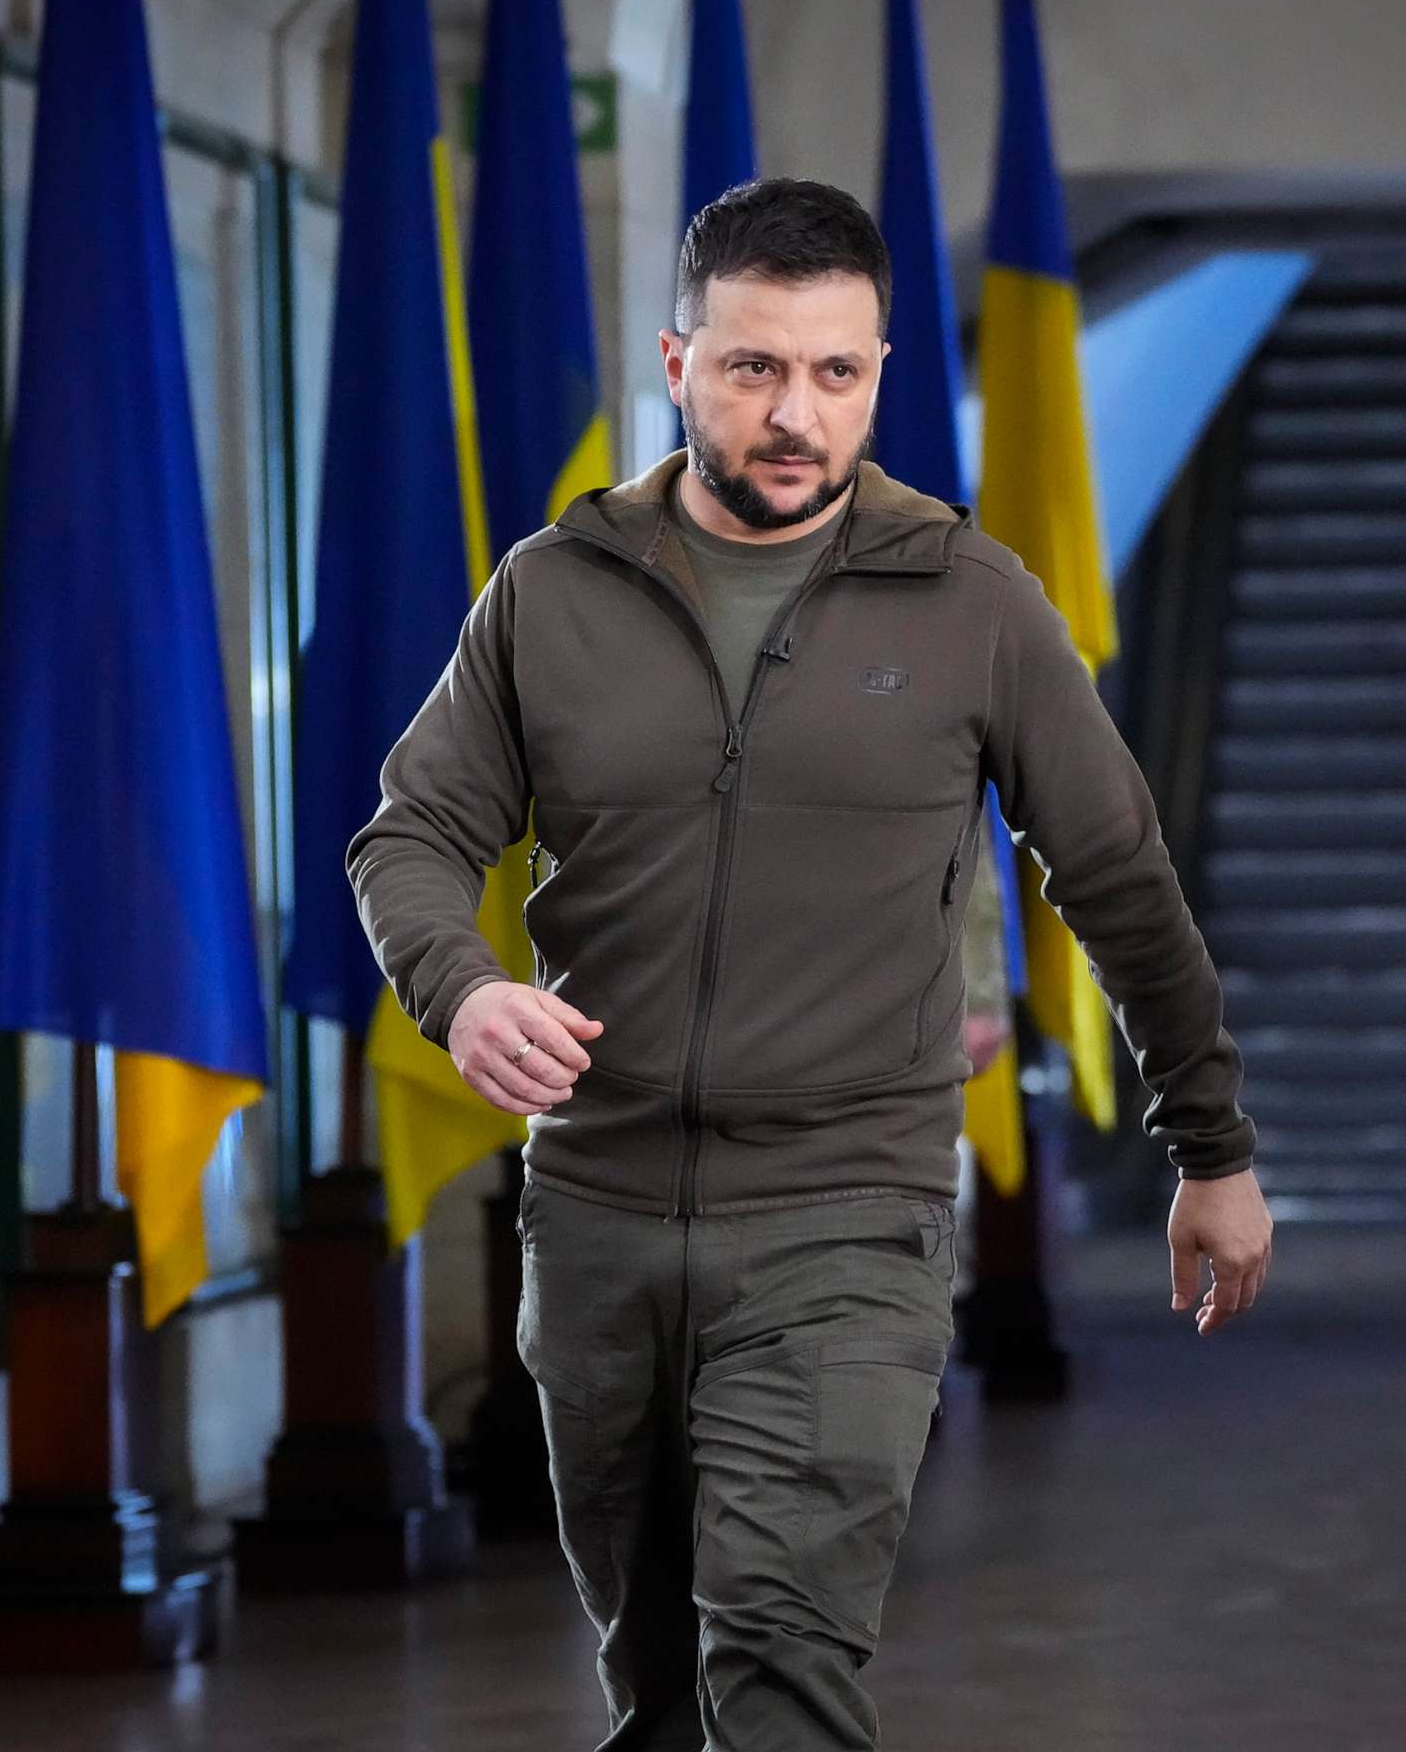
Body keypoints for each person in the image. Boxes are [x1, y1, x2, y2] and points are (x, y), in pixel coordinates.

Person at [346, 177, 1270, 1752]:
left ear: (881, 376)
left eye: (836, 374)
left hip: (850, 1210)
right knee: (653, 1690)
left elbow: (1116, 874)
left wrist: (1213, 1146)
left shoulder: (975, 603)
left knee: (778, 1657)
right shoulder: (551, 594)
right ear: (677, 361)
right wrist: (464, 983)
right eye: (755, 367)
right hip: (598, 1222)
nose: (796, 414)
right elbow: (409, 836)